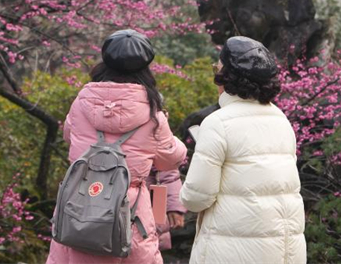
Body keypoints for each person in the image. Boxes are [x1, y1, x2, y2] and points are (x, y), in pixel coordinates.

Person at [46, 29, 187, 264]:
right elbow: (170, 159)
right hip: (128, 209)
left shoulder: (82, 101)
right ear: (145, 67)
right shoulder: (152, 112)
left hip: (80, 200)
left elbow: (69, 137)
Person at [180, 36, 306, 264]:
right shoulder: (280, 119)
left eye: (216, 69)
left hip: (233, 250)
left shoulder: (218, 122)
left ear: (226, 76)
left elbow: (197, 197)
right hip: (283, 249)